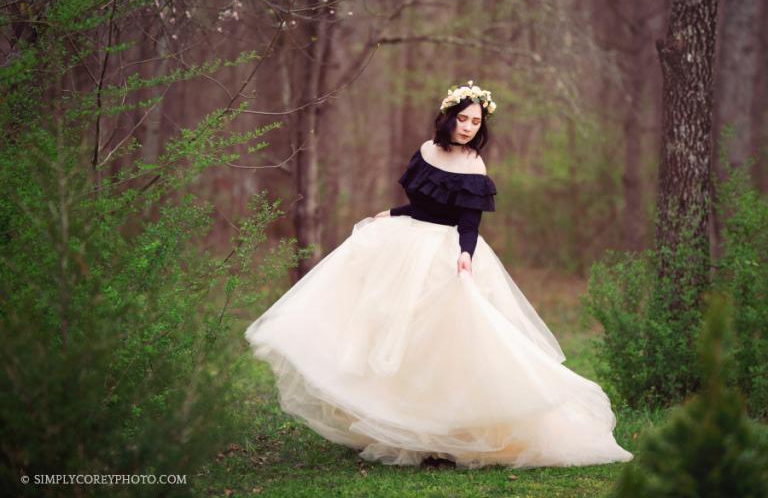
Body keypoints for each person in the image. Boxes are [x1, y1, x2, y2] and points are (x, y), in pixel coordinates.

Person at [244, 80, 634, 469]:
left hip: (447, 251)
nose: (468, 127)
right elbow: (422, 205)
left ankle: (448, 430)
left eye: (475, 122)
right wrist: (392, 213)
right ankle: (399, 422)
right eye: (462, 119)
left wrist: (465, 255)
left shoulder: (474, 165)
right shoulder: (427, 152)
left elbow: (468, 221)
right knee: (392, 330)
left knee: (445, 340)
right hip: (407, 244)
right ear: (447, 118)